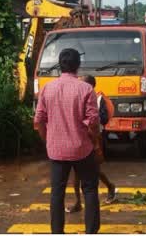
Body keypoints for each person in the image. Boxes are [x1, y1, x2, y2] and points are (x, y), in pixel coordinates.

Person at [34, 49, 101, 234]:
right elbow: (93, 122)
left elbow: (38, 120)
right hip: (82, 149)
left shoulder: (48, 88)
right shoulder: (86, 89)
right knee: (89, 190)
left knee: (57, 193)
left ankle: (57, 231)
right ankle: (91, 231)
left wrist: (47, 140)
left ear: (60, 65)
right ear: (78, 65)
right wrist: (95, 143)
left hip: (56, 151)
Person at [66, 75, 117, 213]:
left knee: (94, 170)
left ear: (89, 86)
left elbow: (103, 119)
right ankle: (78, 202)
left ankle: (110, 186)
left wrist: (95, 138)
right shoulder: (77, 97)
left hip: (94, 137)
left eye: (82, 83)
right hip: (79, 137)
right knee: (76, 170)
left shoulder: (98, 99)